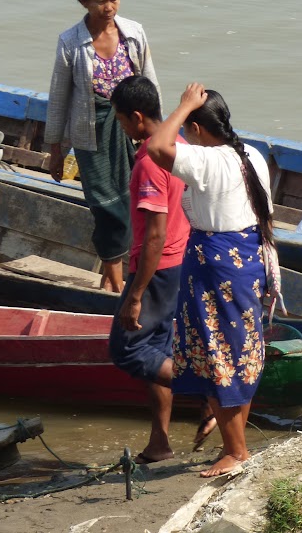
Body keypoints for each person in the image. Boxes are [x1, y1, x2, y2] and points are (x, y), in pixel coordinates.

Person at [145, 83, 279, 478]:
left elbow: (157, 147)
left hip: (217, 266)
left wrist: (184, 106)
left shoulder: (207, 161)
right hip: (248, 259)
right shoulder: (250, 153)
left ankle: (236, 451)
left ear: (199, 128)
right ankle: (234, 446)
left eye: (188, 126)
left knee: (219, 356)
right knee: (240, 353)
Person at [107, 76, 215, 463]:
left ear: (137, 119)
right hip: (183, 262)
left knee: (128, 349)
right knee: (159, 352)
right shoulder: (180, 147)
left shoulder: (151, 162)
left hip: (160, 267)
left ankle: (211, 391)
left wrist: (135, 294)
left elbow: (154, 235)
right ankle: (160, 443)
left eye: (121, 121)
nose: (121, 129)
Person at [46, 0, 161, 293]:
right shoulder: (71, 42)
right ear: (84, 1)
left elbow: (150, 85)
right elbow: (59, 99)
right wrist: (55, 150)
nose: (108, 7)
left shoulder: (134, 33)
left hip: (132, 128)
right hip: (90, 133)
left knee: (139, 200)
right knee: (106, 207)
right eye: (100, 1)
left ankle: (116, 277)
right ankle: (114, 279)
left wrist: (159, 133)